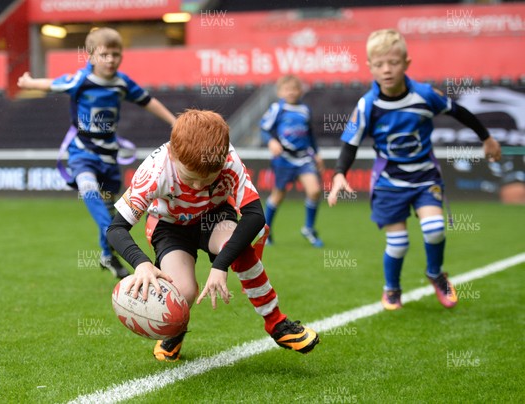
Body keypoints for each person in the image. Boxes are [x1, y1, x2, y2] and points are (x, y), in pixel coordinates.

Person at [107, 109, 320, 361]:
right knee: (183, 292)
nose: (198, 187)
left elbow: (254, 215)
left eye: (208, 179)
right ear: (174, 156)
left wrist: (220, 265)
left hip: (214, 216)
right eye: (190, 178)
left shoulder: (226, 157)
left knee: (236, 245)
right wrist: (141, 265)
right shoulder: (154, 171)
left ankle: (276, 324)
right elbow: (116, 228)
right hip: (170, 225)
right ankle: (174, 331)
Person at [327, 29, 502, 310]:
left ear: (406, 63)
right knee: (398, 244)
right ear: (370, 67)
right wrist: (338, 174)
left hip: (424, 177)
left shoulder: (424, 95)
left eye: (393, 63)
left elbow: (458, 111)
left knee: (434, 230)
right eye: (380, 64)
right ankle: (392, 288)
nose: (387, 69)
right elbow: (350, 144)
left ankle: (436, 274)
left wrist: (487, 137)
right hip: (389, 182)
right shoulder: (368, 105)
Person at [17, 27, 176, 279]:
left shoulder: (122, 83)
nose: (111, 59)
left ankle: (107, 254)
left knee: (109, 205)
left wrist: (174, 121)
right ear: (91, 56)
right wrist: (28, 83)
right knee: (91, 193)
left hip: (109, 157)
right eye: (104, 54)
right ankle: (119, 240)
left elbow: (148, 101)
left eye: (116, 54)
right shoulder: (80, 80)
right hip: (81, 153)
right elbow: (51, 84)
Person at [259, 74, 325, 247]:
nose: (291, 92)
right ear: (280, 92)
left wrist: (316, 154)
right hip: (284, 159)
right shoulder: (277, 109)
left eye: (295, 89)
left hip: (303, 157)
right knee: (278, 196)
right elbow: (264, 129)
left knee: (315, 191)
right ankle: (266, 230)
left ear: (301, 91)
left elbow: (310, 135)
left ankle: (308, 229)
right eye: (287, 89)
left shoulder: (305, 110)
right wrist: (271, 141)